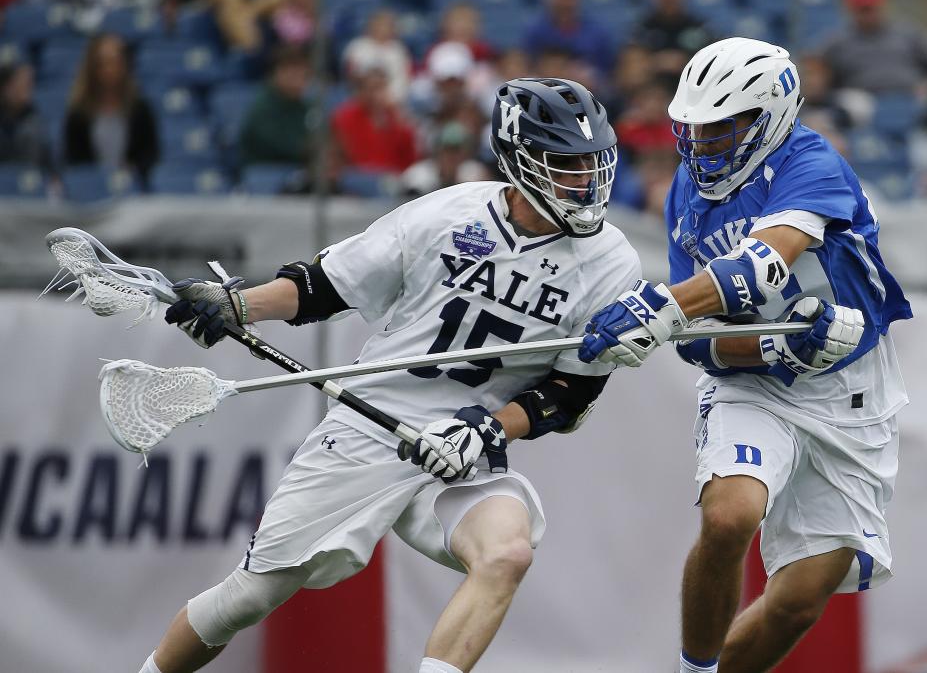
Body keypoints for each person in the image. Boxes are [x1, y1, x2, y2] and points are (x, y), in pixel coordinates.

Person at [137, 76, 638, 673]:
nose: (585, 181)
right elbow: (324, 287)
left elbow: (571, 395)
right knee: (251, 596)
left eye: (592, 163)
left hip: (463, 447)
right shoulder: (449, 212)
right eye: (565, 164)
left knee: (506, 553)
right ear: (518, 160)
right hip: (367, 431)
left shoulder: (613, 262)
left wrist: (488, 430)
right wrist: (240, 305)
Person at [578, 37, 912, 673]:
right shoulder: (688, 190)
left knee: (800, 601)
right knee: (731, 515)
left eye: (724, 126)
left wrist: (660, 308)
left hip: (851, 392)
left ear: (772, 115)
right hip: (755, 385)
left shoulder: (812, 163)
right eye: (697, 127)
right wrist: (762, 342)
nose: (704, 144)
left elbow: (761, 265)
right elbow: (701, 347)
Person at [63, 33, 158, 183]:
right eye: (103, 63)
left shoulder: (140, 110)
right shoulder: (78, 113)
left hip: (133, 193)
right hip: (90, 190)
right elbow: (73, 159)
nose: (109, 69)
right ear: (92, 68)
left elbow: (151, 155)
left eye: (115, 62)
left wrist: (132, 170)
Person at [238, 43, 311, 168]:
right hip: (264, 175)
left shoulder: (307, 106)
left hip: (301, 173)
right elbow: (286, 147)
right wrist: (315, 150)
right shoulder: (263, 108)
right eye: (291, 71)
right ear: (275, 73)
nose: (298, 77)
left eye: (302, 70)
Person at [0, 61, 50, 169]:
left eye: (28, 84)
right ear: (5, 87)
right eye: (20, 83)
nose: (27, 89)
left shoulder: (36, 122)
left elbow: (49, 165)